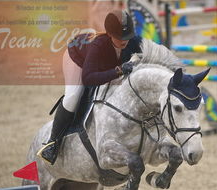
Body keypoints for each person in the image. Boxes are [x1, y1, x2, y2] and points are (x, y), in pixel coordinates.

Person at [38, 9, 143, 165]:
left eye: (127, 37)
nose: (124, 41)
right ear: (109, 34)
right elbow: (88, 78)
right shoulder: (98, 45)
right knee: (73, 96)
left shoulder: (134, 41)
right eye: (120, 37)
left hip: (103, 65)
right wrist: (118, 70)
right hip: (78, 59)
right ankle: (52, 143)